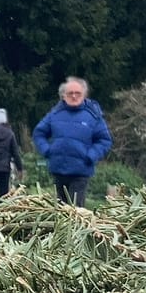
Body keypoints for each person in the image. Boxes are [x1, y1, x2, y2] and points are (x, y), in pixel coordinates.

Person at [33, 77, 113, 207]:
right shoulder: (55, 114)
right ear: (63, 95)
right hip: (58, 170)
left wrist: (91, 155)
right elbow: (39, 133)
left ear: (84, 95)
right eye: (70, 93)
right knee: (59, 210)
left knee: (75, 211)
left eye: (78, 93)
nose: (74, 96)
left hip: (80, 171)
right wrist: (47, 150)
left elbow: (104, 140)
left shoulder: (93, 116)